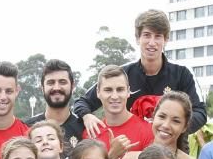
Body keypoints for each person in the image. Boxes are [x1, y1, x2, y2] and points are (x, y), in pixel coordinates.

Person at [72, 9, 206, 135]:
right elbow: (81, 102)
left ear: (165, 40)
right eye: (147, 35)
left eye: (158, 36)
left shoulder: (182, 73)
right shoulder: (122, 74)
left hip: (171, 148)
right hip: (131, 147)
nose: (152, 43)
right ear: (137, 38)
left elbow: (200, 113)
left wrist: (170, 126)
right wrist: (86, 116)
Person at [80, 65, 154, 159]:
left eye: (120, 90)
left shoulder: (148, 131)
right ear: (98, 92)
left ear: (128, 91)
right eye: (108, 90)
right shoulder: (90, 133)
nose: (114, 96)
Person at [24, 59, 85, 152]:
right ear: (42, 88)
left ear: (72, 86)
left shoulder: (84, 127)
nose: (56, 88)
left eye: (62, 82)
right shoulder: (28, 127)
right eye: (51, 82)